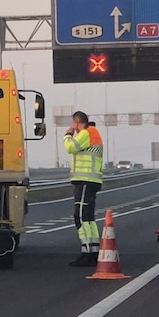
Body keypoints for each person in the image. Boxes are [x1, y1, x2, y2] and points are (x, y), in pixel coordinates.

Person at [63, 111, 104, 267]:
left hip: (85, 180)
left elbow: (71, 147)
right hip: (91, 180)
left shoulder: (86, 133)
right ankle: (93, 251)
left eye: (73, 124)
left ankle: (86, 252)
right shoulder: (93, 133)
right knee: (88, 218)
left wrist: (68, 135)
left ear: (77, 123)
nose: (73, 127)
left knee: (79, 217)